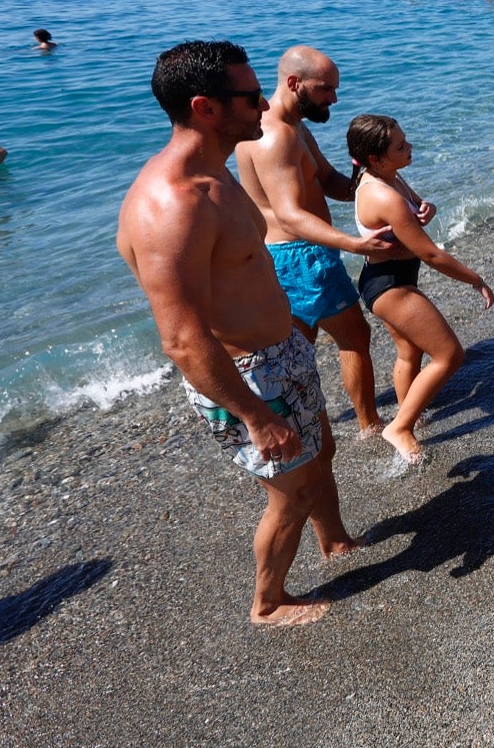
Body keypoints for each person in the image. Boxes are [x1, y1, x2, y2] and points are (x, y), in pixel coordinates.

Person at [116, 40, 359, 626]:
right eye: (251, 97)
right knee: (290, 493)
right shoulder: (174, 205)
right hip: (251, 377)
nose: (263, 106)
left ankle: (334, 542)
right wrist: (255, 415)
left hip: (282, 353)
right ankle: (268, 602)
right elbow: (180, 338)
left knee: (318, 451)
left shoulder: (216, 173)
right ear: (206, 107)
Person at [235, 45, 396, 439]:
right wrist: (353, 244)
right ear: (294, 83)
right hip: (302, 257)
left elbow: (329, 181)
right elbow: (289, 213)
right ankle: (369, 425)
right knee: (354, 337)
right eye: (326, 89)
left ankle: (299, 425)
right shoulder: (278, 139)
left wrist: (386, 185)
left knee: (294, 350)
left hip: (282, 256)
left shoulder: (291, 127)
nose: (334, 99)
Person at [348, 114, 494, 464]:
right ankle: (399, 427)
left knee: (409, 352)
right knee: (450, 355)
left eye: (405, 140)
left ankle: (408, 415)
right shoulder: (383, 194)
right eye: (400, 146)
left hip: (383, 280)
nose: (409, 147)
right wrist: (476, 280)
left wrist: (426, 209)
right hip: (391, 287)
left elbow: (415, 207)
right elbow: (430, 253)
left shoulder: (389, 176)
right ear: (375, 158)